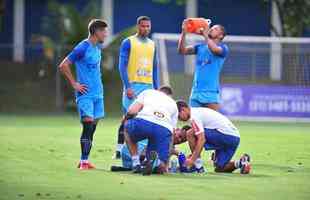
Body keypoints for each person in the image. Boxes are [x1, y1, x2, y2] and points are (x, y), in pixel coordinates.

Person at [58, 19, 108, 170]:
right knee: (87, 126)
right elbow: (63, 65)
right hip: (85, 94)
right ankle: (84, 161)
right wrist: (75, 84)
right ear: (96, 31)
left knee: (92, 128)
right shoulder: (82, 47)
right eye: (104, 31)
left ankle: (84, 161)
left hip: (98, 94)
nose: (106, 34)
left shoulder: (97, 48)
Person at [115, 16, 159, 159]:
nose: (145, 29)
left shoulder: (153, 44)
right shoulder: (128, 42)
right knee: (129, 121)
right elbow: (122, 66)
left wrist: (156, 89)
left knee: (146, 120)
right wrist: (127, 86)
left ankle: (141, 155)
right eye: (143, 26)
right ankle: (124, 154)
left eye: (148, 26)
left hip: (148, 88)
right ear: (137, 27)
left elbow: (155, 68)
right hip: (133, 87)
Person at [176, 100, 251, 174]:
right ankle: (241, 162)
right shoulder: (198, 112)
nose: (180, 120)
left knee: (190, 133)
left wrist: (193, 159)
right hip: (235, 137)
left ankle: (199, 167)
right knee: (219, 168)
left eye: (179, 116)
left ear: (183, 109)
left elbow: (201, 139)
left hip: (225, 135)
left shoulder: (194, 116)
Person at [124, 87, 177, 175]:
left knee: (126, 128)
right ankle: (158, 163)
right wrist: (166, 162)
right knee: (161, 167)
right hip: (163, 128)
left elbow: (131, 111)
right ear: (169, 96)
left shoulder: (148, 92)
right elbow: (172, 134)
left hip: (145, 121)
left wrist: (126, 120)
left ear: (158, 91)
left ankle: (136, 163)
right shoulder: (174, 104)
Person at [178, 20, 229, 111]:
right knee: (194, 123)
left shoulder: (223, 48)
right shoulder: (200, 47)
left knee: (212, 123)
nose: (211, 29)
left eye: (215, 29)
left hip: (211, 92)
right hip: (196, 92)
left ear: (221, 36)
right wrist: (184, 33)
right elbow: (181, 51)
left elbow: (214, 50)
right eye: (212, 28)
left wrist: (204, 34)